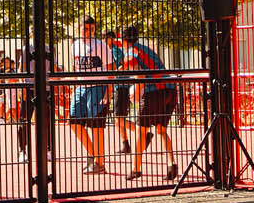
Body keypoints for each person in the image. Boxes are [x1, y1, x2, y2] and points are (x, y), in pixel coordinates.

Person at [113, 24, 181, 181]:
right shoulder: (147, 49)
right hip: (170, 89)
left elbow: (139, 73)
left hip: (155, 91)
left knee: (140, 131)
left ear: (123, 39)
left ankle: (136, 169)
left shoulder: (132, 52)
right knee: (161, 129)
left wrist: (136, 90)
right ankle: (172, 165)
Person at [67, 15, 111, 174]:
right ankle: (94, 155)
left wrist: (109, 92)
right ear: (79, 28)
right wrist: (73, 87)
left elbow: (110, 69)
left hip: (97, 87)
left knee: (96, 126)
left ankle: (100, 163)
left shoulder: (101, 45)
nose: (88, 32)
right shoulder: (75, 46)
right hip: (80, 88)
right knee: (73, 122)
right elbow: (75, 67)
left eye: (91, 29)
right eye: (85, 29)